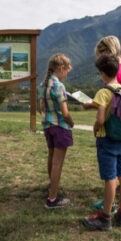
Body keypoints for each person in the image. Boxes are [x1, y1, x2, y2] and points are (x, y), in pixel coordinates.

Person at [86, 36, 121, 210]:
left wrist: (96, 123)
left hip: (114, 127)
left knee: (112, 173)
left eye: (101, 56)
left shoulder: (117, 74)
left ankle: (112, 204)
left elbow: (110, 104)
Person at [83, 54, 121, 231]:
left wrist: (95, 127)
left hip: (107, 140)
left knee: (110, 179)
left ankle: (105, 218)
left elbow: (101, 119)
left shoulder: (103, 92)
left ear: (102, 73)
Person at [39, 53, 74, 209]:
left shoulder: (43, 85)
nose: (66, 75)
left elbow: (41, 107)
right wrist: (71, 122)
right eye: (67, 71)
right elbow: (65, 112)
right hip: (60, 127)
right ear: (61, 68)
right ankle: (52, 199)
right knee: (58, 163)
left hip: (48, 126)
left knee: (52, 158)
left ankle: (51, 186)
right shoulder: (59, 86)